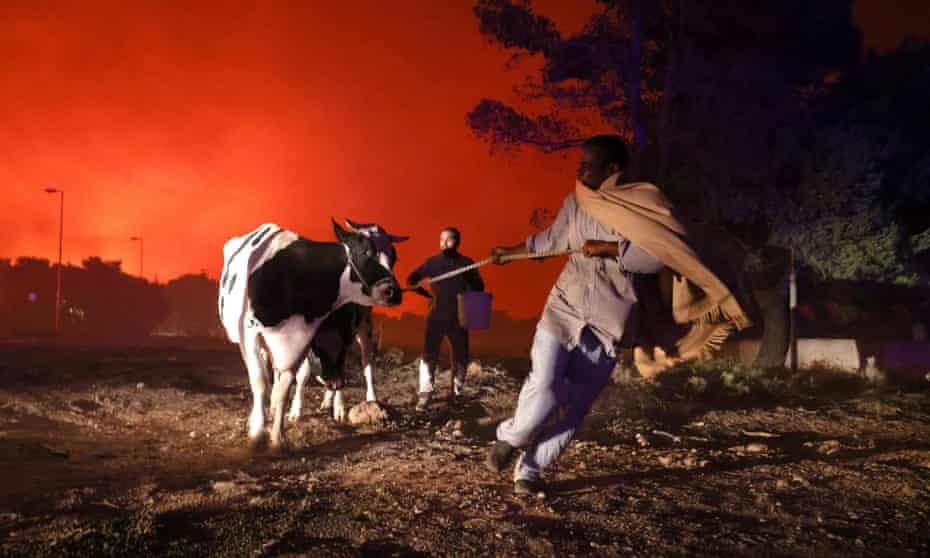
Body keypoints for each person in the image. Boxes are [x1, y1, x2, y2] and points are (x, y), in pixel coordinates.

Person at [485, 135, 750, 498]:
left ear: (612, 169)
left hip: (609, 322)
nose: (580, 170)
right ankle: (512, 437)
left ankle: (530, 470)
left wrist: (611, 248)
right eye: (580, 163)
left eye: (588, 164)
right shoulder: (575, 203)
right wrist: (509, 252)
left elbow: (660, 255)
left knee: (574, 406)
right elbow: (549, 241)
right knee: (544, 387)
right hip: (564, 309)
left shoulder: (642, 205)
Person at [407, 227, 485, 411]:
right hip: (435, 316)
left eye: (449, 239)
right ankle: (425, 395)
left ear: (457, 242)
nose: (444, 243)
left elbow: (479, 287)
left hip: (459, 317)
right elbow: (411, 279)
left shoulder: (467, 263)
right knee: (428, 356)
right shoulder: (432, 262)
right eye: (441, 239)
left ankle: (457, 394)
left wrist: (469, 277)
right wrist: (419, 288)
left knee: (460, 357)